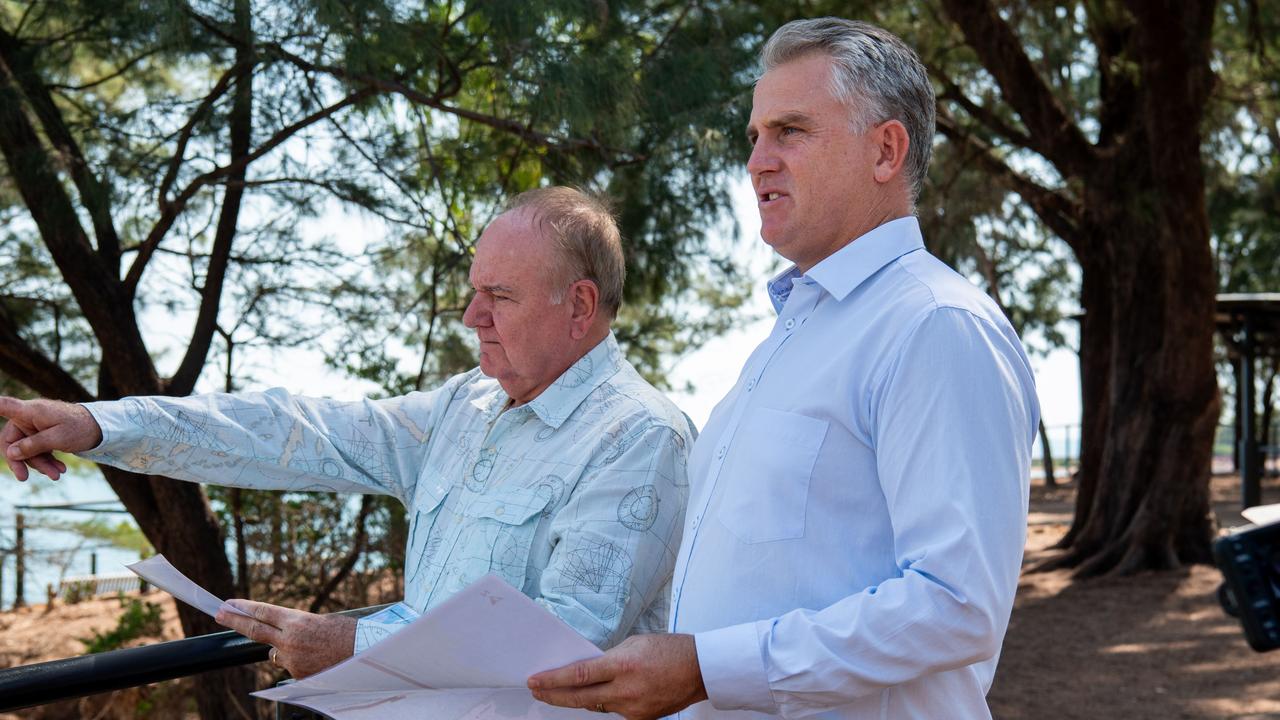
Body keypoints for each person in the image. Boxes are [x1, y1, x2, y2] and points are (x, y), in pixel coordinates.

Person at [527, 18, 1039, 720]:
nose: (757, 160)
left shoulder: (934, 325)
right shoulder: (788, 340)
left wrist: (706, 670)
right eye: (754, 136)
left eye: (790, 131)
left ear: (886, 150)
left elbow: (956, 605)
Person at [0, 186, 693, 680]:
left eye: (499, 297)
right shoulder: (465, 407)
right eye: (474, 290)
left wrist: (355, 644)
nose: (469, 316)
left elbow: (563, 649)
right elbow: (290, 430)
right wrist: (99, 424)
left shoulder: (638, 437)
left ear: (579, 305)